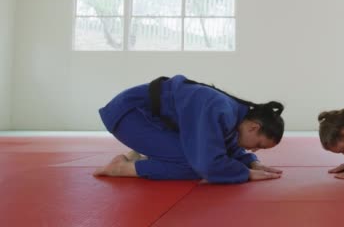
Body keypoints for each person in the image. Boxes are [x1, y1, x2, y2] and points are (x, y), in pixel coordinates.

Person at [93, 74, 284, 183]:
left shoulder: (234, 115)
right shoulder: (220, 110)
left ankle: (143, 153)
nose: (254, 149)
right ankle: (123, 168)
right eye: (259, 144)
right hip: (130, 115)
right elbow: (206, 166)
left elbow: (225, 146)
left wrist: (252, 163)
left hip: (146, 118)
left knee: (206, 156)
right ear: (253, 127)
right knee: (193, 165)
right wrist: (246, 174)